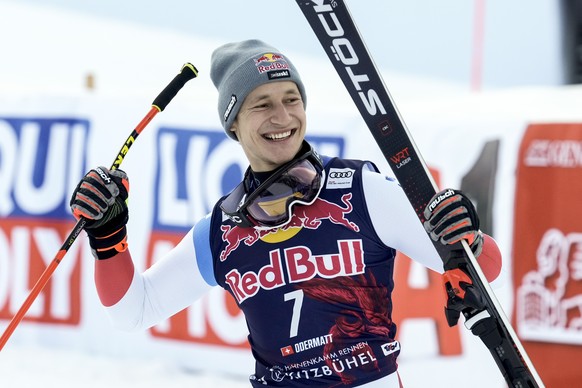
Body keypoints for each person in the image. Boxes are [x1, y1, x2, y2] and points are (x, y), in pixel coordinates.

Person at [70, 39, 502, 387]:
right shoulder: (222, 231)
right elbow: (133, 312)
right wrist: (109, 237)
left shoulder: (360, 190)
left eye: (291, 98)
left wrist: (466, 236)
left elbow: (487, 266)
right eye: (262, 104)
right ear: (233, 123)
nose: (283, 116)